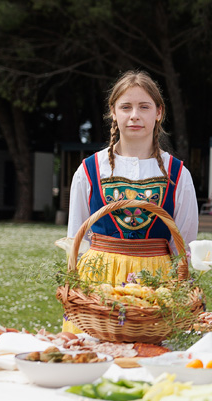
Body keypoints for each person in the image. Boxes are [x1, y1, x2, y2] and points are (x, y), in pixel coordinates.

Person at [66, 70, 199, 291]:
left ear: (159, 112)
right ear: (113, 112)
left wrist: (178, 291)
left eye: (144, 107)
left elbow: (183, 245)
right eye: (126, 107)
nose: (134, 115)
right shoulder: (89, 170)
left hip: (157, 284)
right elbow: (76, 240)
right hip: (98, 282)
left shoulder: (177, 173)